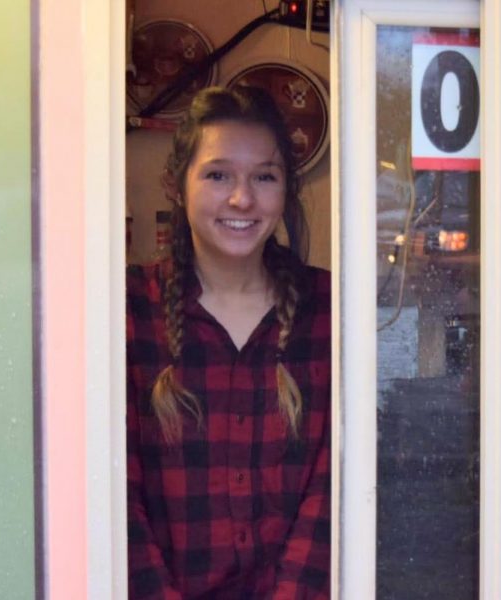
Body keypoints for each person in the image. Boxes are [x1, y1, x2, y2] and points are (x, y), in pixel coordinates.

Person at [126, 86, 331, 599]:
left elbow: (334, 488)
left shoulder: (328, 306)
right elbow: (113, 496)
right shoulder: (128, 307)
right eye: (218, 175)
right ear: (177, 185)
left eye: (264, 176)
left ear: (286, 189)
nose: (242, 199)